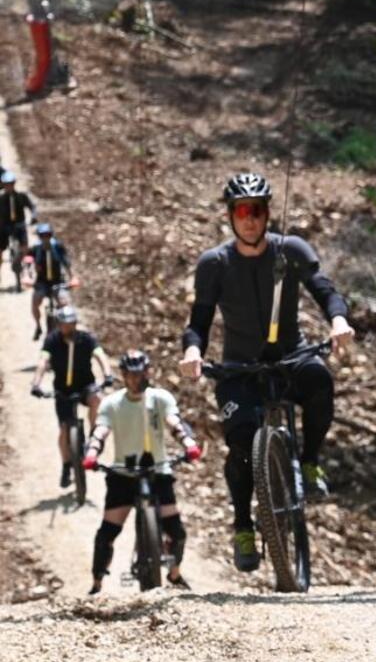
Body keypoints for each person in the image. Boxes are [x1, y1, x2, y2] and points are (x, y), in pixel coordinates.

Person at [178, 171, 354, 572]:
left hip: (290, 356)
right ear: (230, 216)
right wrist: (192, 351)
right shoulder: (215, 264)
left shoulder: (289, 249)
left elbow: (324, 289)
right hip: (239, 369)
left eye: (256, 210)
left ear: (268, 213)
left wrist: (339, 321)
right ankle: (243, 526)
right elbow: (198, 321)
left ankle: (309, 462)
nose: (250, 219)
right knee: (241, 445)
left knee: (320, 380)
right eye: (242, 211)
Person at [83, 350, 201, 593]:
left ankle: (174, 574)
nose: (137, 379)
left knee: (177, 532)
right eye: (131, 375)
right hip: (123, 475)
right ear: (124, 376)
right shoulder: (112, 403)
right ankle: (96, 584)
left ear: (148, 372)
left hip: (158, 472)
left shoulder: (160, 398)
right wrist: (92, 453)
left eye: (141, 374)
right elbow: (100, 430)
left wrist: (188, 443)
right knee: (106, 535)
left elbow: (175, 422)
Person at [28, 304, 109, 486]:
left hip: (85, 385)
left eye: (70, 323)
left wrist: (108, 374)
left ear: (75, 323)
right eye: (63, 324)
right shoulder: (52, 341)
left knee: (97, 399)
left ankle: (94, 436)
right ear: (58, 324)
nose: (67, 327)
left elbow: (100, 355)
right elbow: (43, 361)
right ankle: (66, 466)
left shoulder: (86, 339)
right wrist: (36, 383)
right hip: (62, 390)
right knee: (64, 430)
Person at [26, 222, 75, 338]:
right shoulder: (35, 248)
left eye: (47, 235)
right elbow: (28, 262)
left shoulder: (58, 247)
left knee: (65, 303)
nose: (45, 238)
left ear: (51, 235)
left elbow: (66, 263)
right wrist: (27, 276)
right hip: (41, 282)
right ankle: (38, 326)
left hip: (58, 282)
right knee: (35, 302)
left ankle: (66, 329)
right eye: (42, 236)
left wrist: (73, 278)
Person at [1, 170, 35, 291]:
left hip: (19, 226)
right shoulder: (1, 199)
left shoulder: (21, 196)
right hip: (5, 227)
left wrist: (34, 216)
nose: (9, 186)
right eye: (6, 184)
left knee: (25, 248)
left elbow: (32, 207)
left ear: (14, 184)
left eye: (11, 184)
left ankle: (26, 271)